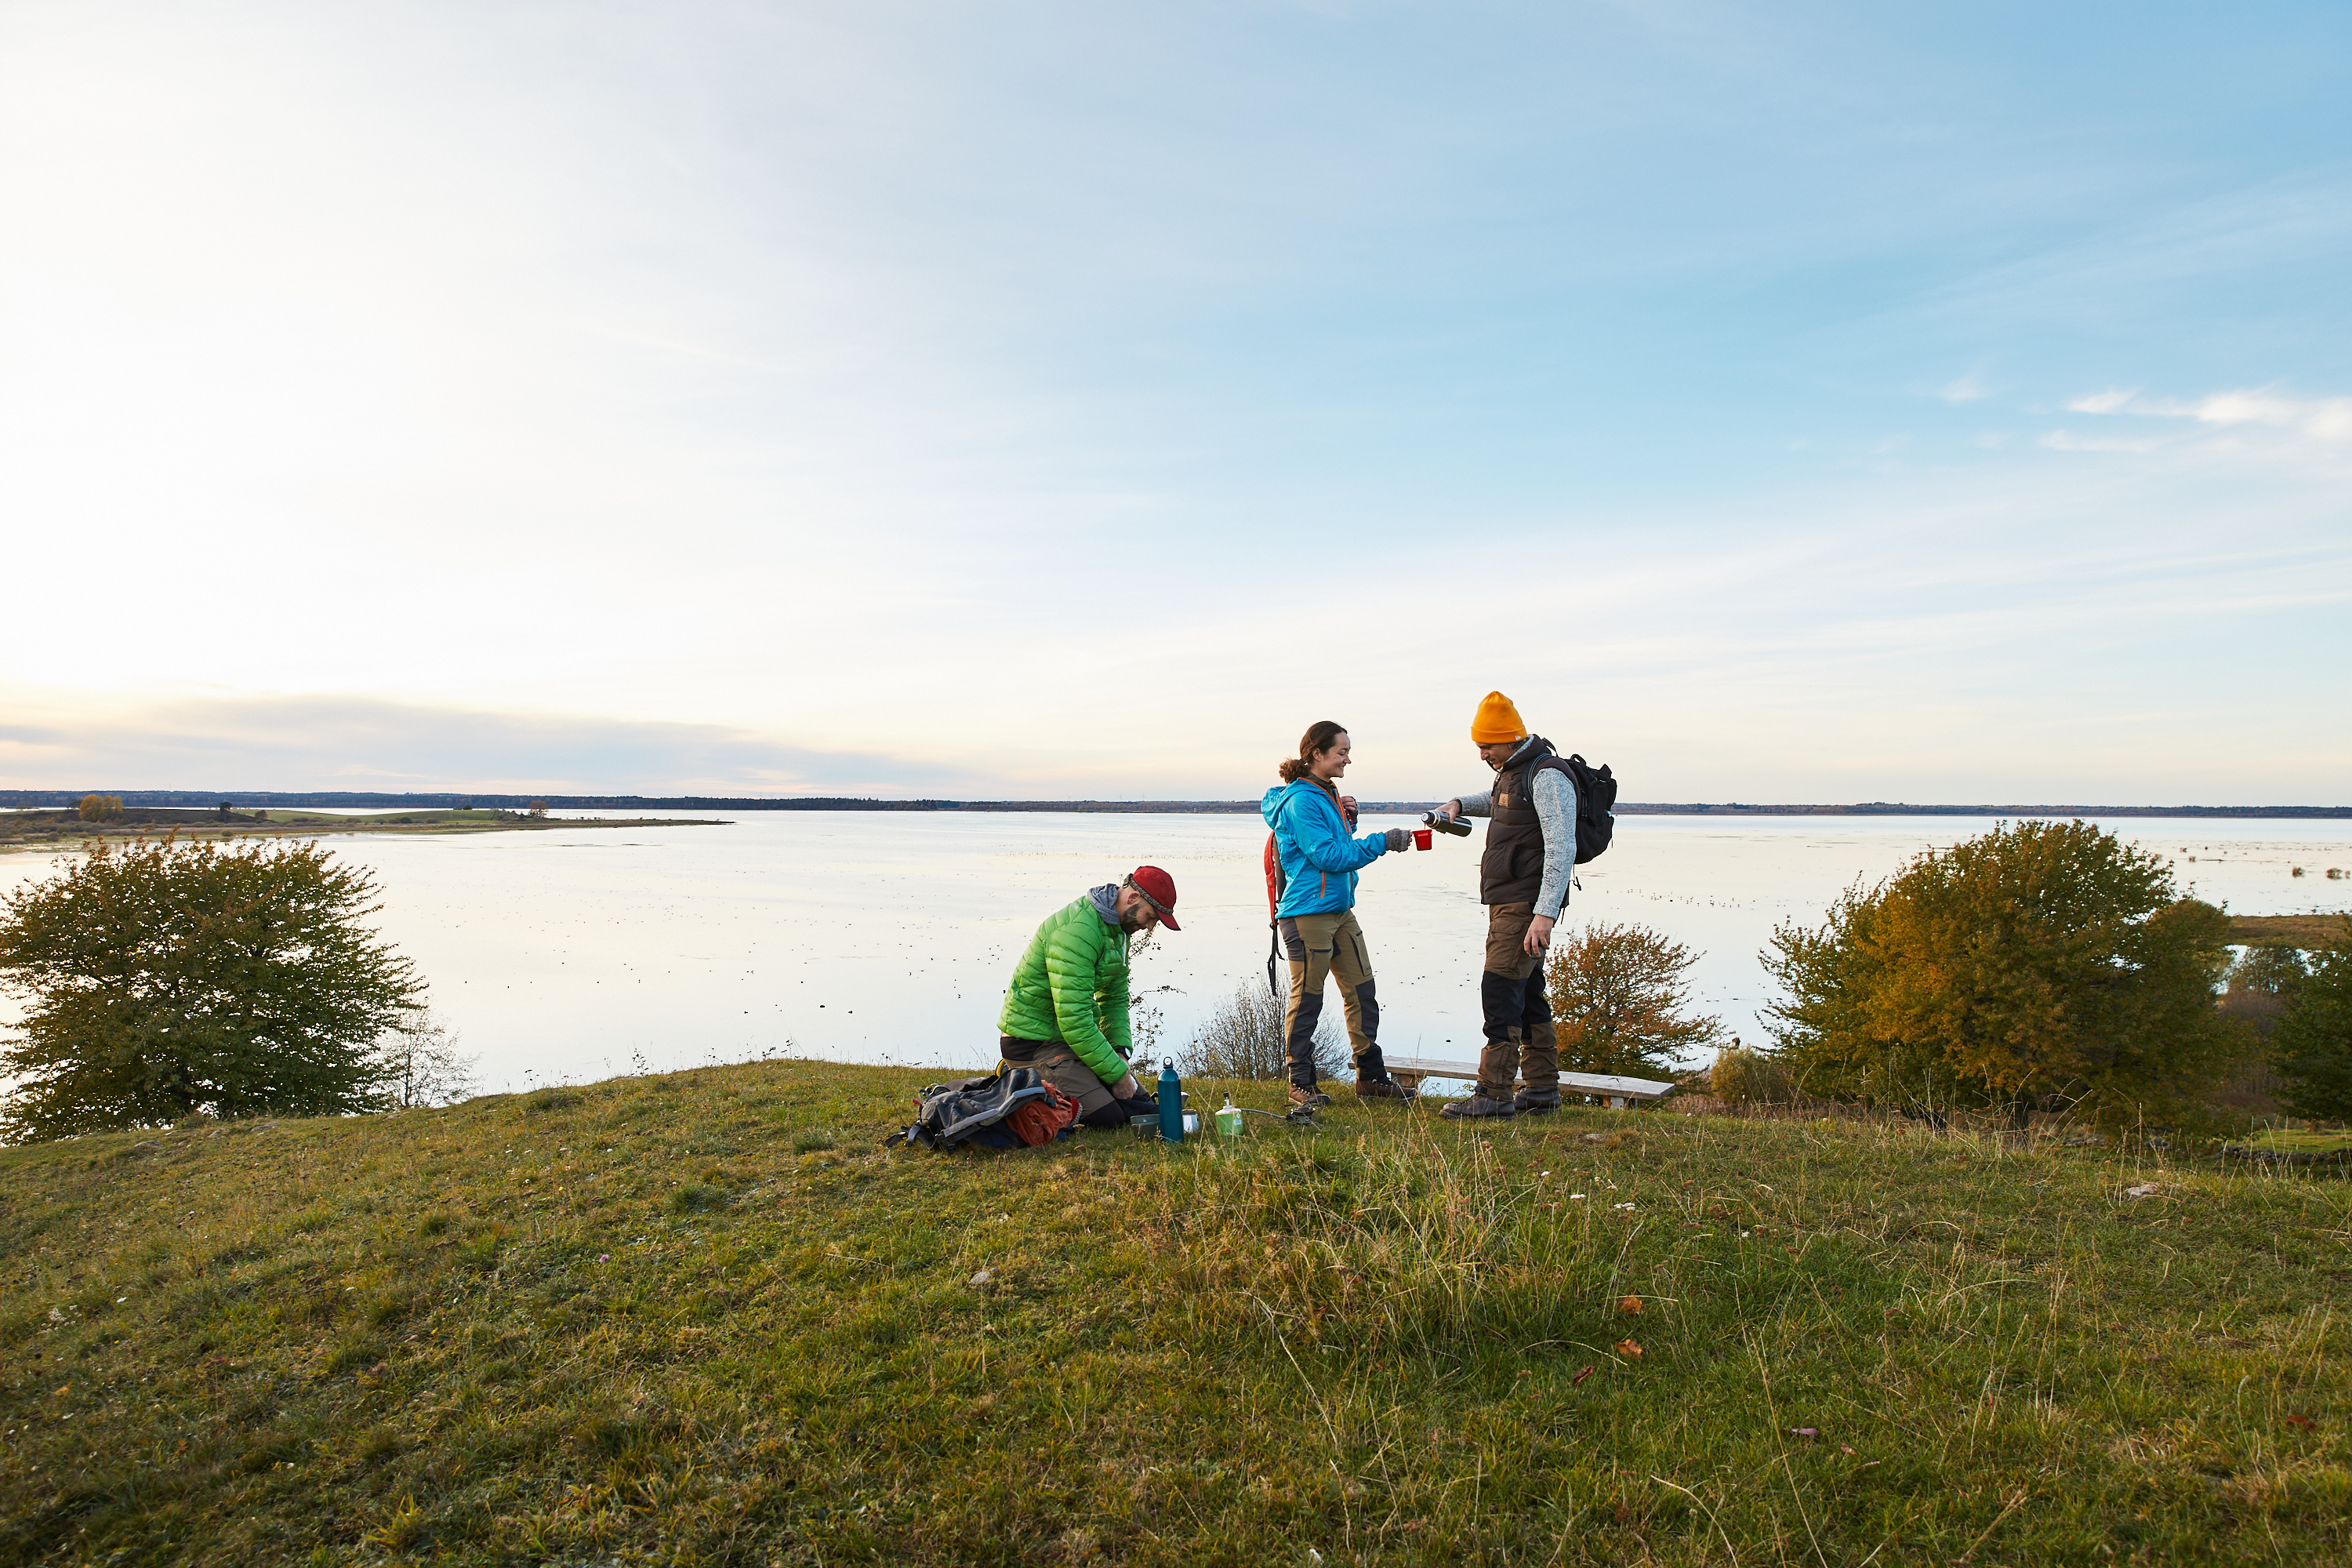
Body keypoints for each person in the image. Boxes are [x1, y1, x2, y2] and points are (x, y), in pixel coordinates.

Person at [1429, 691, 1578, 1120]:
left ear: (1510, 739)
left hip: (1526, 906)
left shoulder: (1547, 776)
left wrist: (1544, 914)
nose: (1482, 755)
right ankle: (1542, 1090)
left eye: (1487, 746)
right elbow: (1498, 801)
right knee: (1528, 993)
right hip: (1511, 902)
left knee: (1499, 990)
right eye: (1479, 746)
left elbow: (1561, 847)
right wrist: (1459, 804)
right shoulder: (1514, 770)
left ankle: (1494, 1094)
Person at [1261, 721, 1419, 1109]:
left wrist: (1351, 821)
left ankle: (1370, 1076)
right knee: (1308, 998)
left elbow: (1338, 846)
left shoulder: (1326, 793)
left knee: (1362, 991)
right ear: (1316, 754)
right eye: (1342, 752)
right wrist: (1383, 842)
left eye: (1348, 751)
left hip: (1339, 910)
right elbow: (1328, 857)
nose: (1348, 758)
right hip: (1306, 914)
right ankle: (1301, 1082)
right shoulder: (1301, 801)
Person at [996, 867, 1180, 1129]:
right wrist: (1117, 1074)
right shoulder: (1076, 932)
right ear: (1133, 898)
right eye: (1150, 917)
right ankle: (1019, 1077)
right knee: (1109, 1118)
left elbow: (1114, 999)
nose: (1149, 927)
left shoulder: (1117, 931)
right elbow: (1076, 1021)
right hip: (1032, 1043)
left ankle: (1060, 1079)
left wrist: (1119, 1053)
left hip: (1067, 1042)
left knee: (1142, 1108)